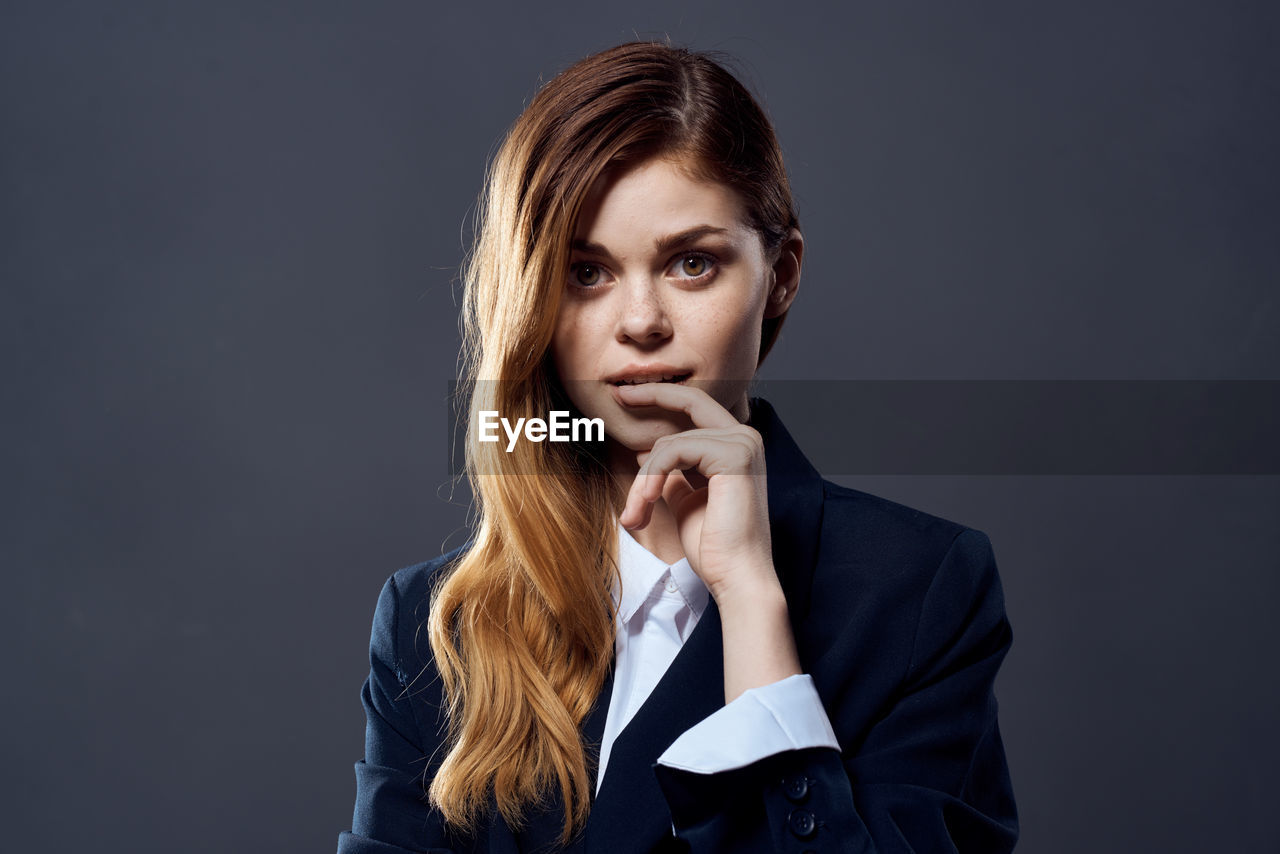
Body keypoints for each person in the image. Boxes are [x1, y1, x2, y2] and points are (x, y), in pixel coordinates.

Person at [337, 41, 1018, 853]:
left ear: (782, 274)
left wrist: (753, 607)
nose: (641, 322)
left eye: (692, 264)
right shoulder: (437, 621)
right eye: (585, 273)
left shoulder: (919, 592)